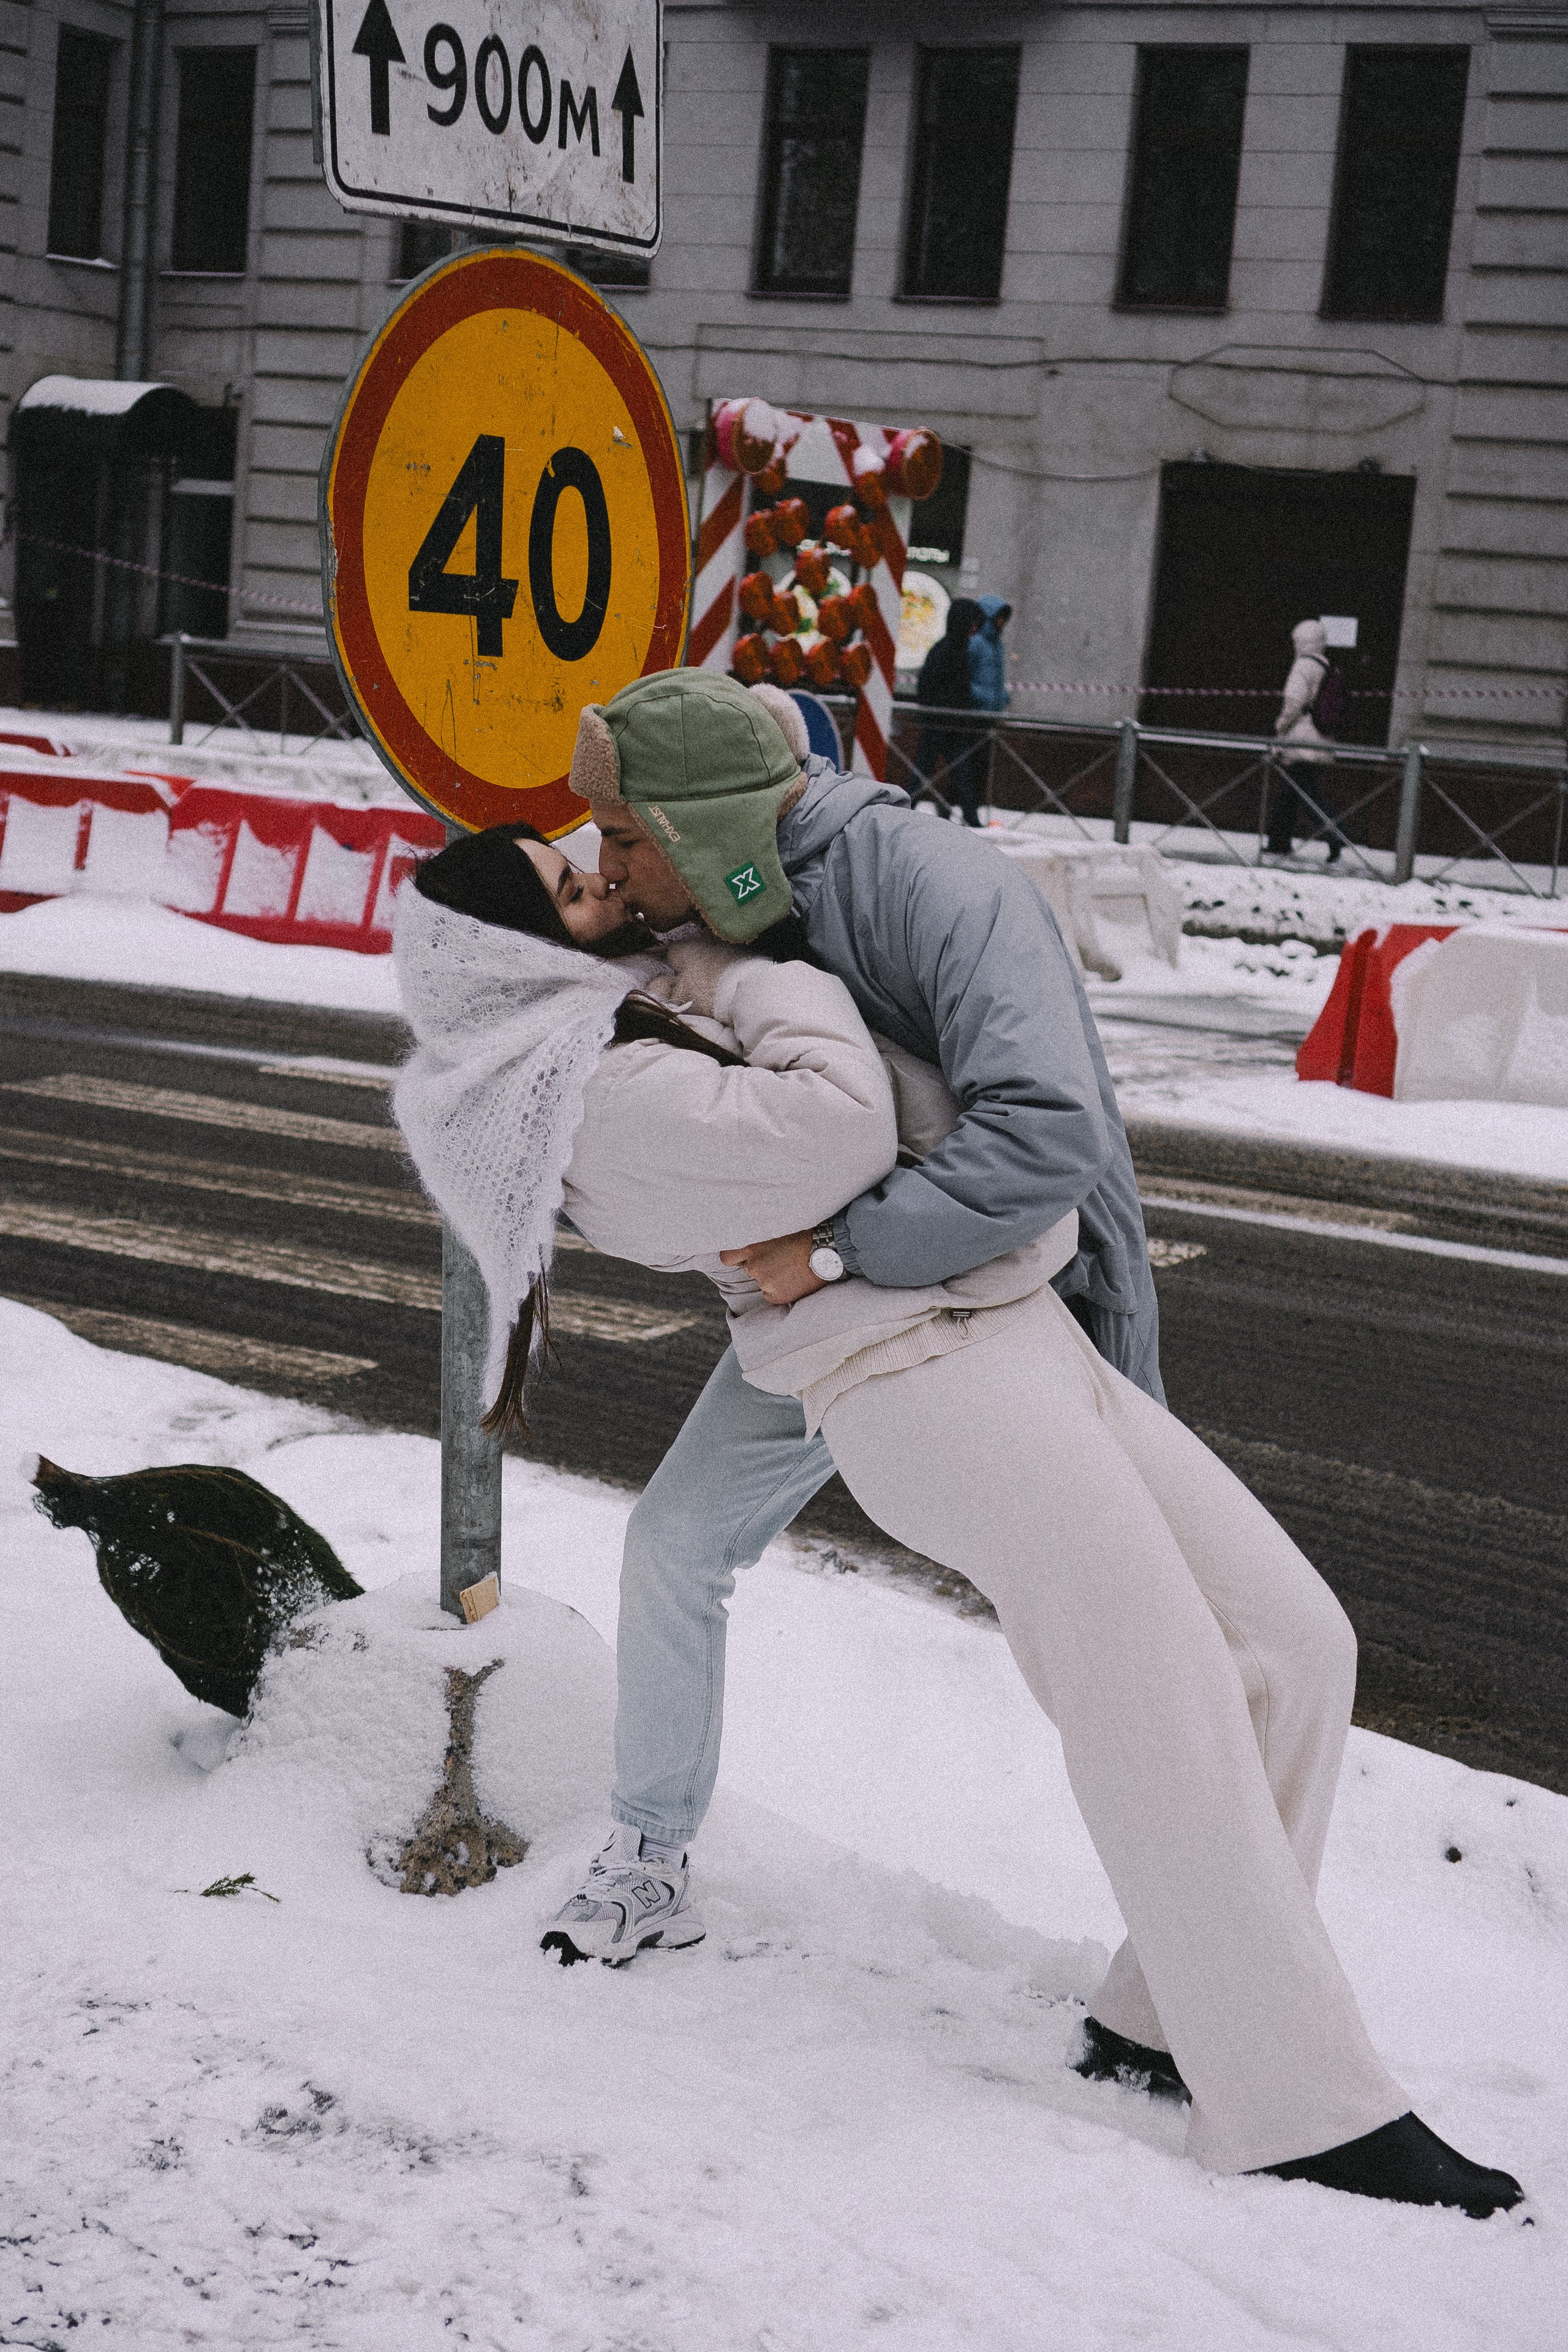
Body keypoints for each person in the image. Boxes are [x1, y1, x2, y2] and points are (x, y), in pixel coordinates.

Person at [391, 814, 1525, 2217]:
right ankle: (1296, 2104)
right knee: (1153, 1684)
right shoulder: (598, 1105)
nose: (608, 883)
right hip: (913, 1380)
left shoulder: (629, 1021)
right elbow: (843, 1123)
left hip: (1007, 1323)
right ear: (521, 957)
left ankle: (1160, 2016)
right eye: (574, 889)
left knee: (1292, 1643)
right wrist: (738, 960)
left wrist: (686, 941)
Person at [1266, 619, 1346, 862]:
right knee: (1291, 791)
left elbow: (1294, 704)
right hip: (1319, 739)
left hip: (1301, 740)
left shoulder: (1303, 666)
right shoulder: (1328, 666)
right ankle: (1279, 842)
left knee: (1306, 792)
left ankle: (1335, 834)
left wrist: (1280, 726)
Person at [914, 595, 990, 825]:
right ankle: (971, 820)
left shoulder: (953, 647)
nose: (975, 629)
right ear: (963, 622)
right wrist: (947, 708)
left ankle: (970, 818)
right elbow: (930, 686)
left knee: (945, 773)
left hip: (947, 724)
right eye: (972, 623)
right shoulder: (949, 650)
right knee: (930, 773)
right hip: (943, 723)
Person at [968, 595, 1012, 715]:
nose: (1002, 621)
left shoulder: (996, 644)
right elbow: (962, 677)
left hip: (991, 711)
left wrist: (1002, 697)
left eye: (1003, 617)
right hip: (976, 712)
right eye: (999, 617)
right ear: (989, 617)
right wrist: (983, 697)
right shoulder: (975, 642)